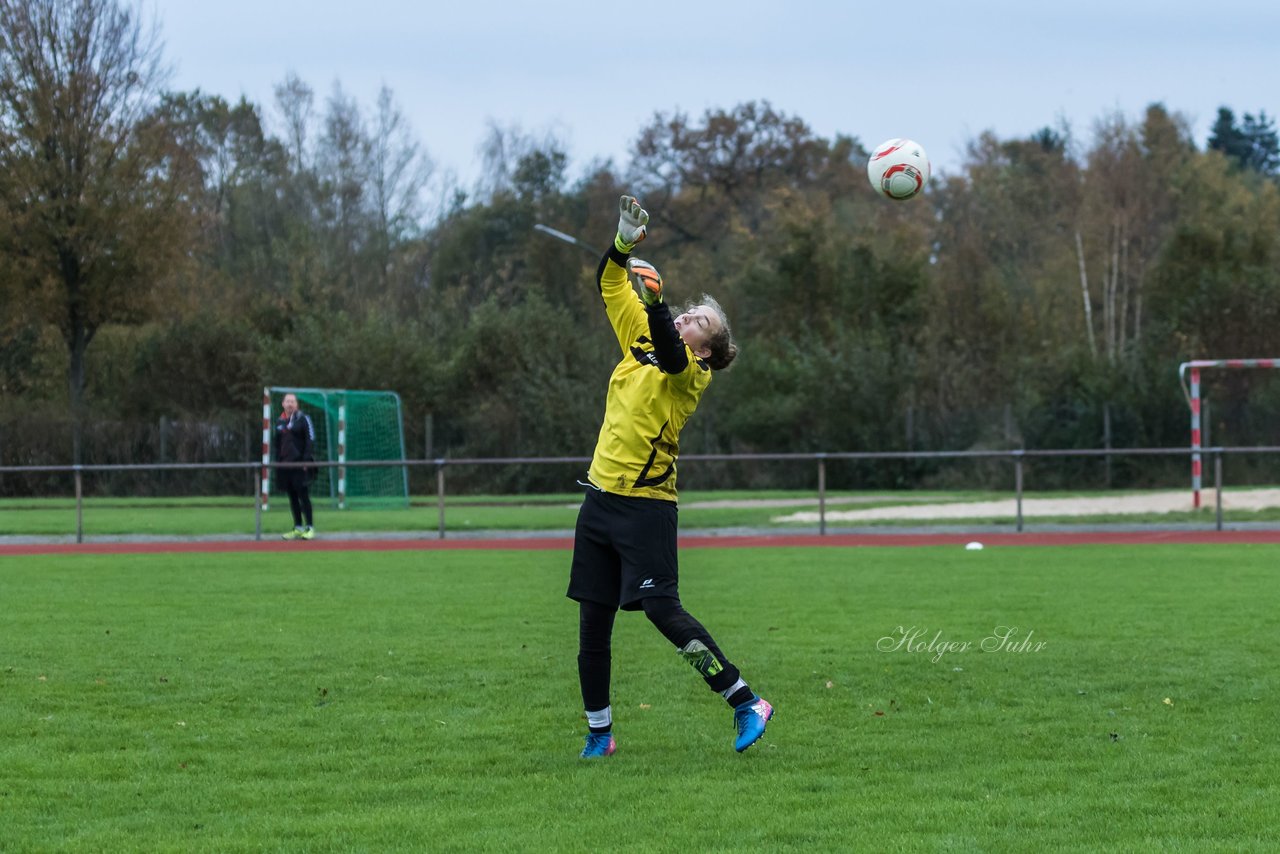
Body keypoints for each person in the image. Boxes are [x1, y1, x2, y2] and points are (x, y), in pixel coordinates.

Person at [567, 195, 772, 758]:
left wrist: (658, 305)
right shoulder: (642, 336)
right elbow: (611, 286)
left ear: (708, 347)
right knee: (592, 628)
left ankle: (745, 701)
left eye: (696, 322)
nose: (685, 318)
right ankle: (600, 735)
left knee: (662, 610)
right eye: (685, 312)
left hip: (647, 510)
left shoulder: (693, 373)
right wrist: (623, 243)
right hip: (600, 502)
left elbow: (671, 356)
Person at [275, 392, 316, 540]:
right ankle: (298, 527)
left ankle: (310, 527)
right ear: (283, 404)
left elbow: (310, 439)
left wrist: (305, 461)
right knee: (292, 497)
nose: (290, 404)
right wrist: (277, 462)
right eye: (287, 401)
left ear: (296, 404)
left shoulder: (303, 419)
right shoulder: (279, 421)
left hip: (300, 465)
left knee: (303, 497)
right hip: (285, 466)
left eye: (292, 401)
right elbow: (277, 444)